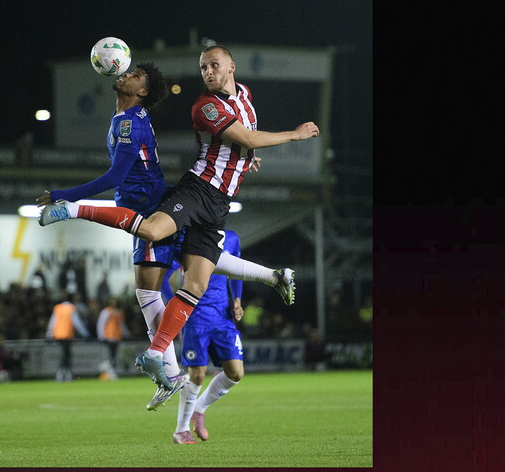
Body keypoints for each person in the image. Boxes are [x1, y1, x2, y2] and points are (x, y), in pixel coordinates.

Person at [39, 45, 319, 393]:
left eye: (214, 66)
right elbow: (244, 137)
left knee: (194, 284)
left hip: (214, 202)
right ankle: (74, 212)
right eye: (203, 68)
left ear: (231, 67)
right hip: (197, 190)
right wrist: (288, 136)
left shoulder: (243, 95)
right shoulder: (205, 106)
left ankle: (162, 356)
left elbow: (244, 140)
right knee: (155, 261)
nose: (208, 73)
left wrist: (246, 158)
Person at [163, 229, 246, 444]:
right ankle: (181, 430)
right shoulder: (188, 237)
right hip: (196, 317)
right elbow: (164, 276)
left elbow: (236, 272)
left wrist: (237, 300)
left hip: (223, 317)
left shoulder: (232, 238)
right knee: (197, 375)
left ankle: (199, 408)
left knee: (235, 373)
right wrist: (177, 305)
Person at [45, 293, 91, 382]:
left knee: (65, 355)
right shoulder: (71, 308)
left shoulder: (58, 308)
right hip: (67, 334)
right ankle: (63, 375)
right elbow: (77, 322)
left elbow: (52, 322)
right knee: (66, 356)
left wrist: (49, 334)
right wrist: (85, 334)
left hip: (58, 334)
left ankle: (65, 375)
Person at [96, 296, 129, 380]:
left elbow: (121, 325)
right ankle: (109, 372)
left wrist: (126, 334)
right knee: (109, 355)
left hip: (116, 336)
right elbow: (101, 324)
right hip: (109, 336)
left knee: (114, 355)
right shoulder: (106, 311)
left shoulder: (119, 312)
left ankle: (112, 371)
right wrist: (101, 335)